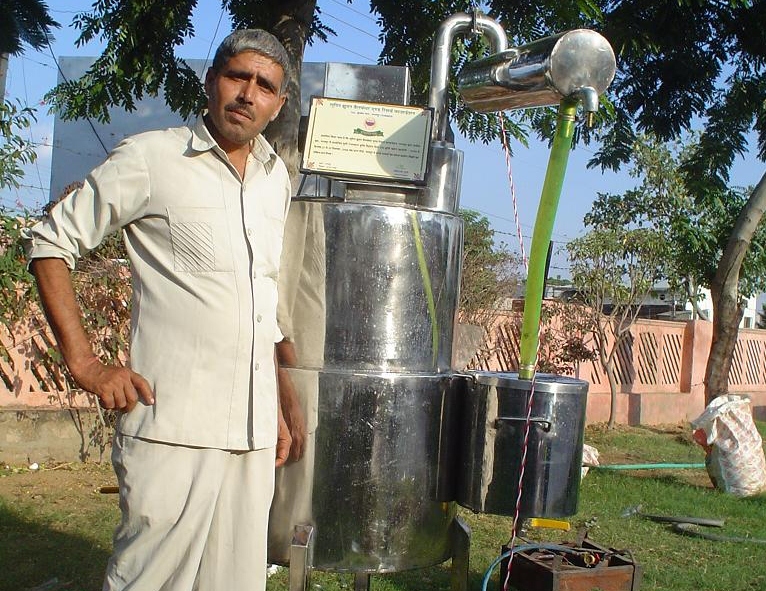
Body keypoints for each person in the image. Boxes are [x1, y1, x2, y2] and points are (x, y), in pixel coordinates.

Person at [23, 29, 297, 591]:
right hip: (171, 424)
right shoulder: (153, 157)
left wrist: (279, 403)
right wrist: (87, 365)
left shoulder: (276, 179)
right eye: (236, 76)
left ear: (279, 102)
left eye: (264, 85)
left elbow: (261, 302)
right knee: (148, 582)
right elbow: (51, 242)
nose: (247, 94)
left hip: (250, 436)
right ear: (211, 80)